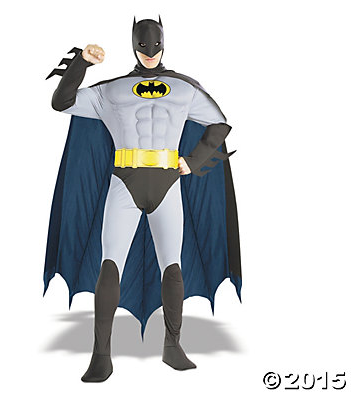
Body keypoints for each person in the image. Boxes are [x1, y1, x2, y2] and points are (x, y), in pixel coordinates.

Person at [44, 16, 241, 383]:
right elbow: (62, 102)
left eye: (155, 45)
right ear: (133, 44)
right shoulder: (112, 90)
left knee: (172, 266)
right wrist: (81, 62)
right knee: (110, 265)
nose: (150, 52)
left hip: (168, 183)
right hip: (124, 181)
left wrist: (194, 161)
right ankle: (101, 355)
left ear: (164, 43)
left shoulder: (184, 89)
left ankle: (172, 345)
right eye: (143, 45)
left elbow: (220, 124)